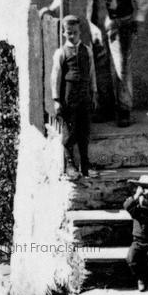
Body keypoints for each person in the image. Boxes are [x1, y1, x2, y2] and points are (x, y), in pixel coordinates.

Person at [41, 0, 148, 127]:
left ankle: (124, 110)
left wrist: (139, 17)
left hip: (119, 24)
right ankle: (105, 108)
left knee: (121, 67)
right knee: (100, 67)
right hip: (97, 28)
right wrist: (52, 8)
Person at [50, 15, 97, 178]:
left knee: (84, 132)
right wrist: (56, 100)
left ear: (80, 32)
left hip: (84, 96)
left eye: (75, 32)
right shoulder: (61, 53)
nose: (72, 36)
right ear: (64, 33)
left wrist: (94, 92)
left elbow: (92, 74)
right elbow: (55, 77)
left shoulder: (87, 51)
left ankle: (85, 165)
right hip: (69, 98)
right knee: (70, 132)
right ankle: (70, 164)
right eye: (69, 33)